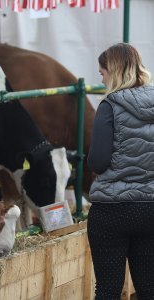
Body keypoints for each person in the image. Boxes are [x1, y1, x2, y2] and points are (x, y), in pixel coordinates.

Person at [87, 42, 154, 300]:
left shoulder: (110, 106)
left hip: (113, 211)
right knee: (149, 289)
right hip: (151, 209)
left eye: (102, 71)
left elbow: (98, 162)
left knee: (108, 290)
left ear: (113, 71)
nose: (100, 77)